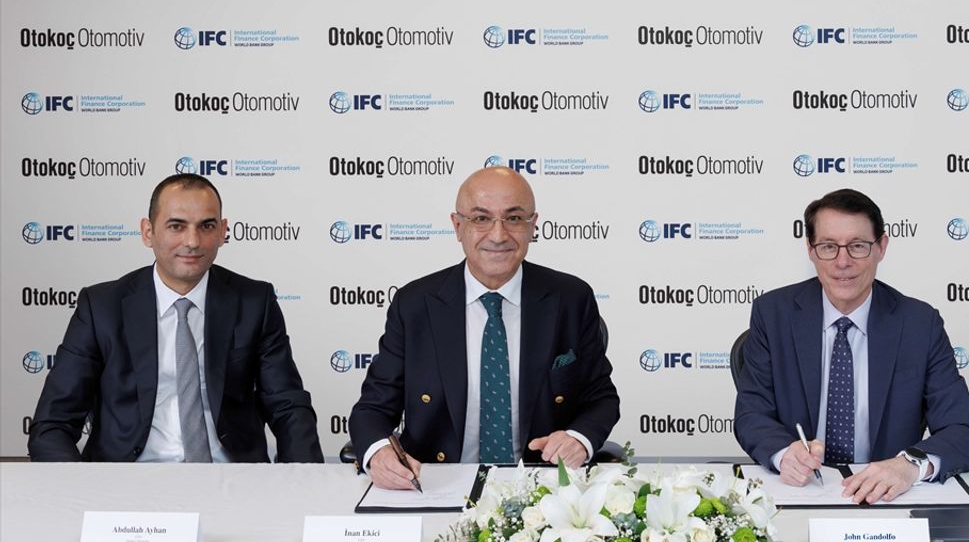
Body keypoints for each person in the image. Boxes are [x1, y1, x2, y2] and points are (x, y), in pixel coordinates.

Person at [350, 167, 619, 489]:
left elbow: (601, 398)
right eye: (481, 219)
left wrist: (578, 438)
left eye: (514, 218)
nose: (498, 235)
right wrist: (378, 453)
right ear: (457, 226)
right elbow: (373, 408)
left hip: (540, 488)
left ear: (533, 225)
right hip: (435, 484)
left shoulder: (571, 299)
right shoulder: (415, 304)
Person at [28, 174, 323, 463]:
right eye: (176, 226)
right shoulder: (101, 307)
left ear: (223, 231)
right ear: (148, 232)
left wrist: (303, 480)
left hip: (231, 478)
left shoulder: (255, 302)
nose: (192, 241)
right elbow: (53, 423)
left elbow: (288, 407)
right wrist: (85, 488)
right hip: (126, 479)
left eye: (206, 226)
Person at [735, 189, 969, 503]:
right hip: (801, 492)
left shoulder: (919, 324)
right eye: (828, 246)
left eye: (858, 246)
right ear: (810, 250)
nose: (843, 262)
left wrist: (909, 466)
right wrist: (785, 454)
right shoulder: (773, 314)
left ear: (881, 247)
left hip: (886, 497)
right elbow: (751, 414)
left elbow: (964, 430)